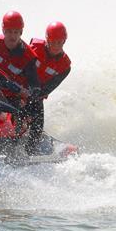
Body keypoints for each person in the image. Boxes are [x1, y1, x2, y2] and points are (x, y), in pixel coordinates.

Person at [24, 21, 72, 154]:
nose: (56, 46)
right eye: (52, 42)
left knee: (38, 122)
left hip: (36, 95)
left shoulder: (65, 65)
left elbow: (50, 87)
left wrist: (34, 95)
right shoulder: (34, 46)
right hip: (18, 87)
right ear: (47, 40)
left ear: (64, 41)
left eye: (59, 42)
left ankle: (30, 151)